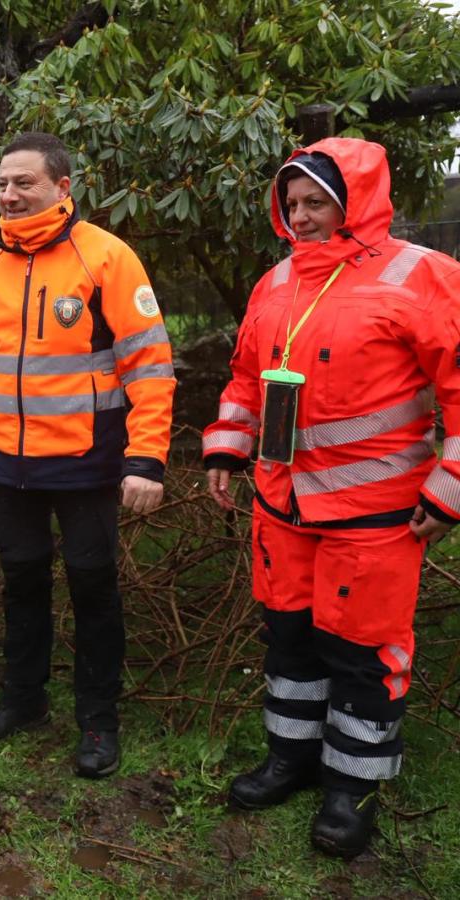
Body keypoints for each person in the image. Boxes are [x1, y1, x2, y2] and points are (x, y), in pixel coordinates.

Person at [203, 137, 460, 857]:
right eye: (292, 204)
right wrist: (227, 444)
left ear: (357, 201)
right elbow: (247, 380)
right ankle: (291, 758)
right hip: (281, 507)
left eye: (317, 201)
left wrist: (449, 489)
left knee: (362, 651)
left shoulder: (426, 276)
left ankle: (352, 789)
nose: (303, 216)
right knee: (288, 640)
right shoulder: (275, 282)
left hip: (376, 514)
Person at [0, 132, 175, 778]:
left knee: (93, 590)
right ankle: (24, 701)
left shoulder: (107, 259)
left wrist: (147, 460)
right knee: (22, 585)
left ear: (62, 188)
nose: (9, 194)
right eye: (2, 183)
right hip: (6, 468)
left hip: (85, 467)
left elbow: (150, 368)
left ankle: (98, 723)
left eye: (23, 182)